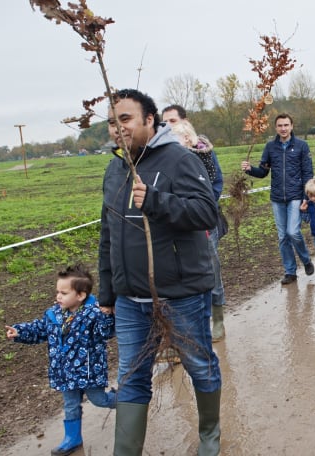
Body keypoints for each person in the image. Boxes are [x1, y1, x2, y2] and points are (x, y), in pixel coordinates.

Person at [100, 89, 221, 455]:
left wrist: (154, 201)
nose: (117, 128)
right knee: (131, 377)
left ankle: (209, 437)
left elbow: (205, 213)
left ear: (149, 120)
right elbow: (109, 234)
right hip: (130, 300)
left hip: (180, 293)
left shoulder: (178, 159)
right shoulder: (114, 169)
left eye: (125, 119)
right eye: (111, 122)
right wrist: (107, 295)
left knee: (199, 365)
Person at [4, 264, 115, 456]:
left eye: (64, 293)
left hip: (88, 372)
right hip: (64, 373)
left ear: (80, 295)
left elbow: (106, 333)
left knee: (100, 400)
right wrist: (20, 332)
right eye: (58, 292)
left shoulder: (94, 314)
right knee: (70, 405)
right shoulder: (53, 314)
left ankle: (126, 401)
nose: (58, 297)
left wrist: (108, 315)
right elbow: (39, 330)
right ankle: (72, 438)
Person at [167, 114, 227, 342]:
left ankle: (218, 317)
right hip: (178, 224)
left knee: (211, 268)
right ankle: (188, 324)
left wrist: (199, 209)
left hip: (203, 224)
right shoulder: (168, 160)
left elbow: (215, 185)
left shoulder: (205, 157)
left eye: (181, 137)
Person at [241, 113, 315, 285]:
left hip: (296, 195)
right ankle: (290, 271)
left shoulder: (302, 146)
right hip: (277, 198)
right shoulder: (270, 147)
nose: (283, 128)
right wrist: (249, 169)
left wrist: (307, 198)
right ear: (276, 128)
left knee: (293, 232)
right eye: (280, 125)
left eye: (286, 125)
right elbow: (263, 171)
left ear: (292, 126)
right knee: (282, 237)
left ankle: (305, 260)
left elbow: (308, 173)